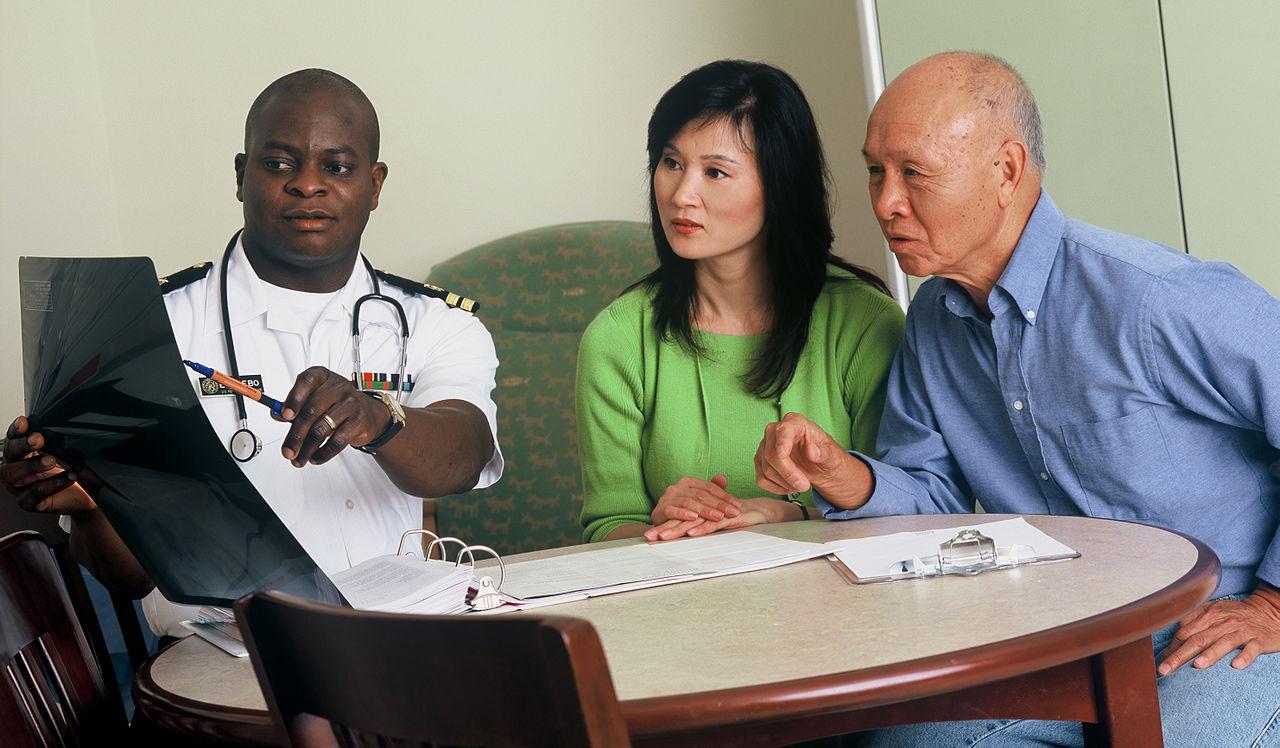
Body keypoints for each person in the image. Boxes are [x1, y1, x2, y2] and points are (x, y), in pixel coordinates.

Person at [755, 52, 1280, 746]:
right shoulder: (933, 325)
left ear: (1005, 170)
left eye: (913, 172)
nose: (885, 201)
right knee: (907, 742)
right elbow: (935, 503)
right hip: (1057, 636)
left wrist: (1274, 605)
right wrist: (840, 476)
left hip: (1220, 620)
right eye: (876, 171)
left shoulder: (1155, 297)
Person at [2, 69, 503, 636]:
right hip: (212, 659)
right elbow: (128, 576)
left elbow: (463, 455)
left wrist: (377, 418)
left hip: (388, 648)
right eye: (279, 164)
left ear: (376, 184)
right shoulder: (149, 325)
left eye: (336, 167)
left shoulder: (436, 322)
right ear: (241, 176)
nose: (307, 186)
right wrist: (89, 507)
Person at [577, 60, 904, 544]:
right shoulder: (617, 338)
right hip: (684, 609)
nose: (682, 194)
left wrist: (786, 517)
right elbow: (607, 525)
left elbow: (908, 505)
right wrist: (659, 528)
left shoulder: (866, 324)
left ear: (780, 186)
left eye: (715, 172)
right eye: (671, 163)